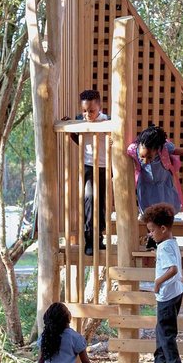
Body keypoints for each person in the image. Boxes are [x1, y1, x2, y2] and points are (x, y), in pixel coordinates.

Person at [141, 203, 183, 363]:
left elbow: (173, 269)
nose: (150, 234)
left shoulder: (165, 246)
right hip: (173, 292)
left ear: (163, 228)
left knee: (166, 331)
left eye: (152, 230)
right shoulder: (169, 243)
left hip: (167, 293)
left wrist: (158, 283)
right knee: (161, 329)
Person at [127, 125, 183, 248]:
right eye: (142, 157)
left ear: (157, 149)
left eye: (149, 157)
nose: (145, 160)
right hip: (146, 187)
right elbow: (120, 150)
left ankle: (164, 238)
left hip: (163, 186)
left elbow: (181, 151)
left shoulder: (165, 148)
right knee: (148, 213)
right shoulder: (133, 149)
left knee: (164, 212)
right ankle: (151, 238)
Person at [73, 89, 110, 256]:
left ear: (99, 107)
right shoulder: (80, 121)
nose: (87, 114)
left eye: (91, 110)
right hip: (88, 166)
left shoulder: (107, 121)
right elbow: (77, 137)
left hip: (104, 167)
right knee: (89, 200)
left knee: (101, 202)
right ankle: (89, 240)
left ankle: (99, 238)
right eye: (84, 110)